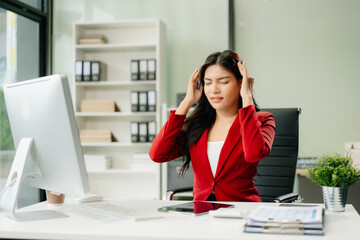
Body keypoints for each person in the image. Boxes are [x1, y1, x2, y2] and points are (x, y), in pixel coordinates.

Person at [149, 50, 276, 202]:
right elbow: (157, 154)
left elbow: (254, 154)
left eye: (223, 82)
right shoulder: (197, 125)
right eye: (208, 82)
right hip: (203, 214)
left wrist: (247, 97)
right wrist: (187, 102)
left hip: (242, 211)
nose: (214, 89)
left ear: (241, 83)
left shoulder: (262, 120)